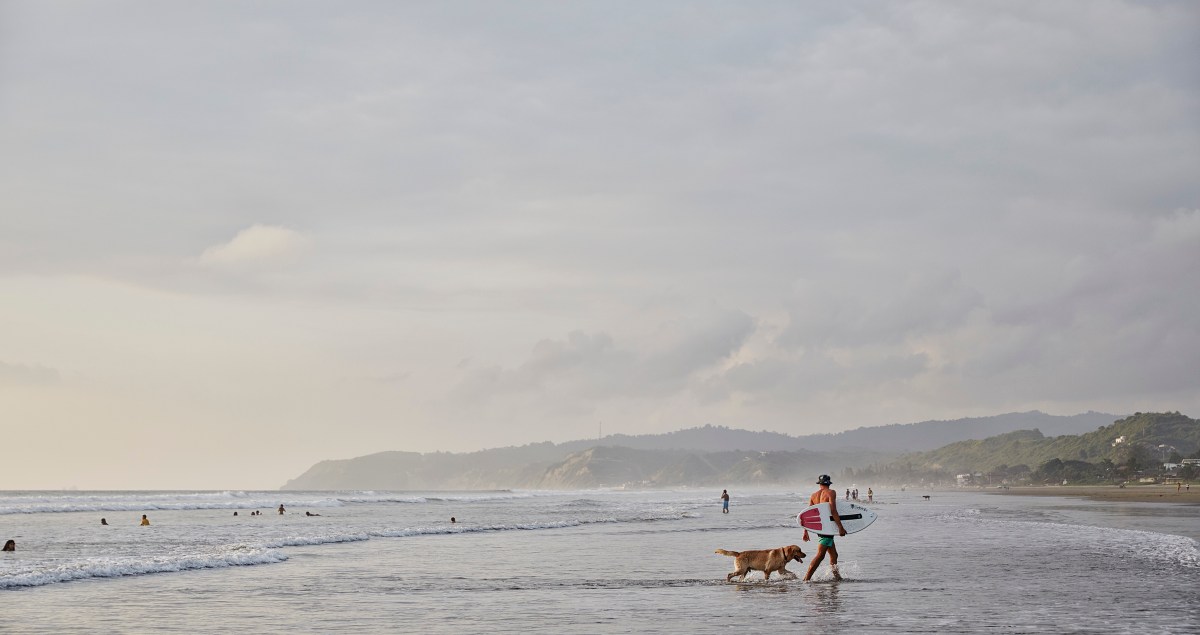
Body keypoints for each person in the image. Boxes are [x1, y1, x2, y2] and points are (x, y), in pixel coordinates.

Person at [802, 474, 846, 582]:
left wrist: (806, 531)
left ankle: (837, 577)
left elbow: (809, 515)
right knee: (820, 555)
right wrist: (840, 527)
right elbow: (833, 510)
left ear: (820, 484)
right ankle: (806, 579)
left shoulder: (813, 495)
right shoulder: (831, 492)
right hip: (827, 528)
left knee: (834, 555)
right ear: (829, 483)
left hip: (820, 527)